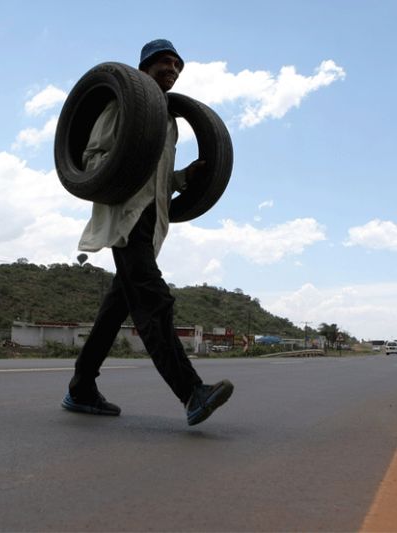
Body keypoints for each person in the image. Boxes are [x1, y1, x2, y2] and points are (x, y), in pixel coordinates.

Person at [62, 39, 234, 426]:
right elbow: (94, 158)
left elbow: (158, 178)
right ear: (144, 66)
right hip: (125, 217)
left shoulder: (169, 123)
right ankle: (192, 392)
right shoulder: (120, 106)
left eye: (177, 64)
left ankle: (80, 388)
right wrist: (127, 163)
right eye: (164, 62)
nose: (172, 68)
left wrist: (182, 179)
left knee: (115, 311)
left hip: (152, 222)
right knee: (153, 301)